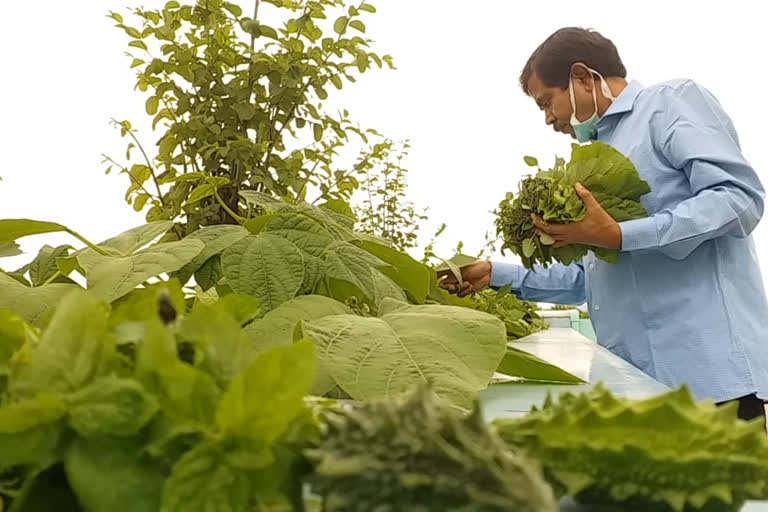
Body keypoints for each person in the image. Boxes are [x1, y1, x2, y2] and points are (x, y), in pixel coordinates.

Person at [442, 27, 768, 422]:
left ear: (582, 76)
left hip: (709, 381)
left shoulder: (668, 105)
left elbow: (739, 198)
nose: (548, 118)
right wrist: (494, 273)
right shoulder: (595, 154)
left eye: (547, 101)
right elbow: (589, 277)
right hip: (634, 387)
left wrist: (620, 235)